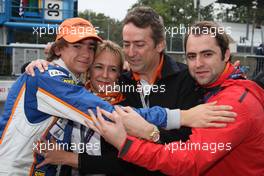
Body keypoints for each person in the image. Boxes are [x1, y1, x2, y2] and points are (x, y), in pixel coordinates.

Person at [0, 17, 180, 176]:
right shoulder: (56, 81)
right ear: (60, 49)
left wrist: (69, 158)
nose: (85, 54)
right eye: (77, 46)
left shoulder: (123, 97)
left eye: (91, 47)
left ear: (120, 73)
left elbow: (127, 161)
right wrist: (179, 116)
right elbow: (46, 81)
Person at [30, 40, 236, 176]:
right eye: (99, 67)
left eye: (113, 70)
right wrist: (45, 63)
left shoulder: (127, 103)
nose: (105, 75)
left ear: (120, 73)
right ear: (89, 69)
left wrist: (68, 158)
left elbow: (124, 163)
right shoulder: (73, 95)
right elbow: (48, 77)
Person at [86, 21, 264, 175]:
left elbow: (187, 162)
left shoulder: (231, 103)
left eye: (207, 54)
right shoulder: (213, 86)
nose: (198, 64)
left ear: (225, 55)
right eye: (192, 56)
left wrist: (126, 143)